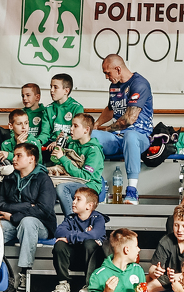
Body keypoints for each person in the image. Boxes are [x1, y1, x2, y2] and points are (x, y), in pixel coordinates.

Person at [0, 142, 56, 292]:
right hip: (14, 223)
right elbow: (0, 205)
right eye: (14, 155)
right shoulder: (9, 177)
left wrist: (14, 216)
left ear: (31, 159)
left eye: (19, 155)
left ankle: (24, 272)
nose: (14, 158)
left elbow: (44, 210)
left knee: (27, 222)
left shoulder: (43, 179)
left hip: (40, 226)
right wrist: (28, 206)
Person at [92, 54, 153, 204]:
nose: (106, 77)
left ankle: (132, 191)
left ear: (118, 69)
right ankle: (95, 183)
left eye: (108, 73)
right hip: (117, 138)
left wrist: (107, 130)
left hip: (140, 137)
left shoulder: (140, 84)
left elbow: (129, 119)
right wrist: (96, 124)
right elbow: (110, 108)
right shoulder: (114, 85)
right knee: (89, 135)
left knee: (130, 136)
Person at [52, 187, 108, 292]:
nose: (73, 202)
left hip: (92, 261)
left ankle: (91, 284)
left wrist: (70, 238)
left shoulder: (98, 218)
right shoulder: (70, 219)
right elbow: (59, 232)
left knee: (89, 243)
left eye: (78, 199)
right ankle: (63, 283)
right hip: (74, 259)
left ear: (89, 206)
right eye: (74, 198)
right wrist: (82, 236)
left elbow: (94, 234)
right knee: (60, 244)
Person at [49, 113, 105, 217]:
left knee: (62, 188)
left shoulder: (94, 151)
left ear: (86, 130)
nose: (71, 129)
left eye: (75, 126)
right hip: (72, 179)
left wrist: (62, 158)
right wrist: (58, 152)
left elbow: (85, 177)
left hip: (89, 185)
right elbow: (63, 166)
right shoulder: (72, 144)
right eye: (71, 125)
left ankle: (73, 221)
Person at [90, 228, 148, 292]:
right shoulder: (99, 275)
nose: (139, 249)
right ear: (127, 250)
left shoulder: (138, 270)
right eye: (136, 246)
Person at [42, 73, 86, 160]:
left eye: (55, 87)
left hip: (70, 143)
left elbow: (79, 133)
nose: (51, 90)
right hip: (52, 144)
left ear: (66, 91)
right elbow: (45, 133)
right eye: (51, 87)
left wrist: (60, 141)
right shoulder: (48, 108)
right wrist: (37, 142)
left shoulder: (77, 107)